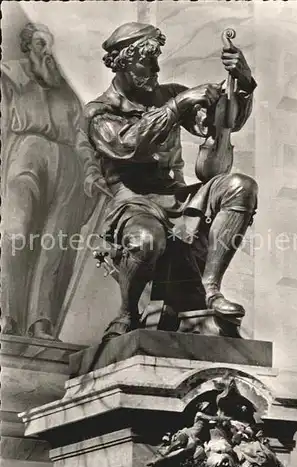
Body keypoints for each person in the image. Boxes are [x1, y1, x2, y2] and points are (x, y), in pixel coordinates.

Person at [84, 22, 258, 337]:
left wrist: (242, 84)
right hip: (133, 203)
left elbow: (222, 123)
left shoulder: (168, 94)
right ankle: (126, 314)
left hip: (178, 198)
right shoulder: (100, 111)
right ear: (122, 61)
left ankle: (211, 290)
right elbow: (128, 146)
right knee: (147, 239)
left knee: (240, 187)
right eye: (146, 59)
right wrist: (176, 107)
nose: (156, 66)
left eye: (157, 57)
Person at [1, 23, 98, 340]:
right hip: (26, 151)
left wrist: (90, 170)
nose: (48, 51)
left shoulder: (68, 89)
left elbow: (82, 134)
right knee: (16, 233)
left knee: (56, 244)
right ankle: (8, 316)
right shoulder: (9, 76)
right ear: (28, 45)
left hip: (68, 162)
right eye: (41, 43)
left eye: (51, 45)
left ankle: (40, 321)